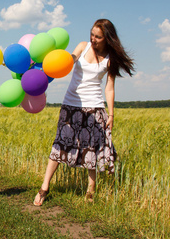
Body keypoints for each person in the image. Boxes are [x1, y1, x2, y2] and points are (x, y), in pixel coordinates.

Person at [33, 19, 135, 206]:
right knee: (59, 145)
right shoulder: (82, 46)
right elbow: (67, 62)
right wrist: (41, 66)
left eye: (98, 36)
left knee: (91, 149)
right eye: (92, 34)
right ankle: (44, 187)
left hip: (94, 106)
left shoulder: (110, 58)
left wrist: (111, 114)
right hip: (71, 104)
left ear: (107, 38)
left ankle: (90, 191)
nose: (93, 39)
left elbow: (109, 88)